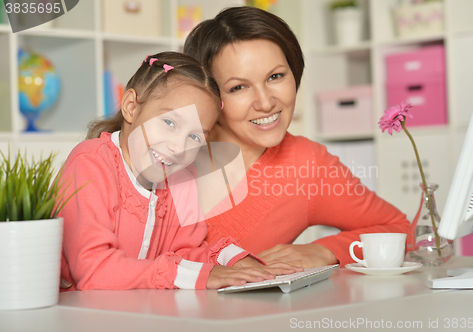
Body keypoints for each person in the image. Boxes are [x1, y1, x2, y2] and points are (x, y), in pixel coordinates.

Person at [183, 7, 410, 268]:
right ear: (209, 94)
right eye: (238, 87)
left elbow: (399, 229)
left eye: (275, 76)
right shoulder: (170, 150)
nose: (266, 103)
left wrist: (325, 251)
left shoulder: (306, 164)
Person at [59, 51, 299, 291]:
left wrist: (239, 264)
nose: (178, 147)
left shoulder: (181, 179)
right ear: (131, 107)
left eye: (195, 136)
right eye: (169, 122)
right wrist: (193, 275)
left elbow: (188, 252)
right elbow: (93, 269)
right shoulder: (91, 162)